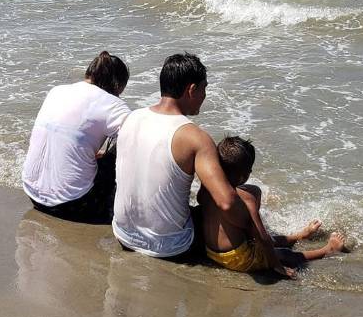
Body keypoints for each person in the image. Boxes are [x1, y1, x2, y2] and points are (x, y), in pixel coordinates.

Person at [112, 53, 295, 277]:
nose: (204, 96)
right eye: (204, 89)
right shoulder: (194, 137)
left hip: (124, 235)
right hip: (169, 247)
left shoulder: (131, 118)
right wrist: (254, 231)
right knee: (238, 204)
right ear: (191, 90)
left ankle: (280, 239)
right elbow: (226, 203)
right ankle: (276, 245)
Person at [199, 137, 347, 274]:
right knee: (283, 253)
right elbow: (263, 238)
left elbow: (202, 201)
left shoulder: (207, 187)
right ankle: (328, 250)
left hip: (211, 252)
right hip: (238, 259)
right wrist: (277, 266)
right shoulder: (246, 200)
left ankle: (298, 236)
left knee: (267, 232)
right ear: (246, 174)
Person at [22, 52, 131, 224]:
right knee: (131, 140)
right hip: (73, 204)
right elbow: (140, 137)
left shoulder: (57, 91)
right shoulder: (113, 105)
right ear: (118, 86)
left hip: (32, 194)